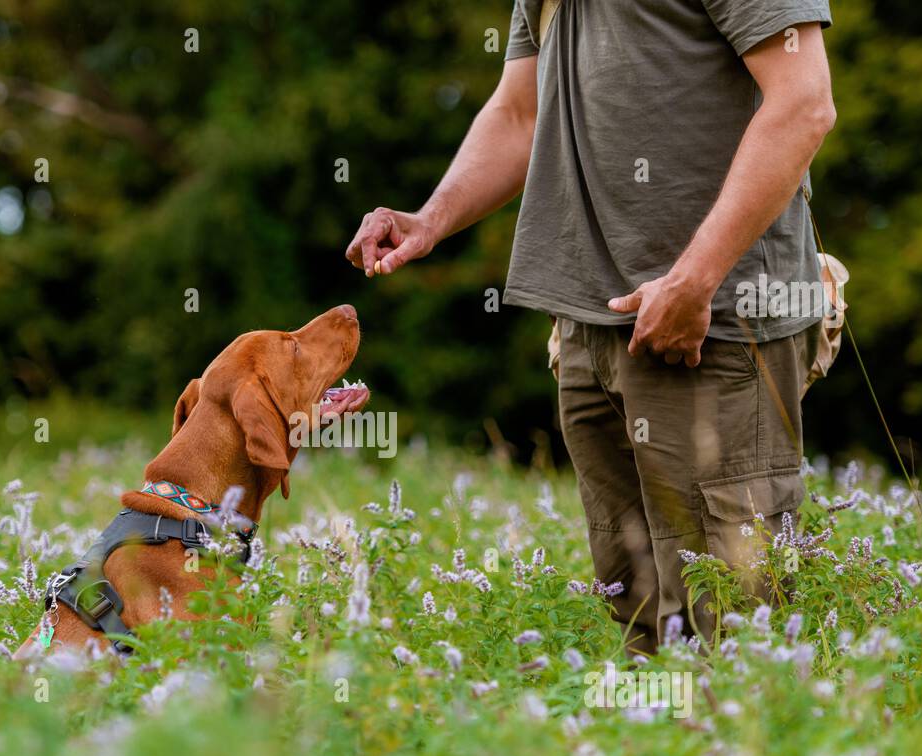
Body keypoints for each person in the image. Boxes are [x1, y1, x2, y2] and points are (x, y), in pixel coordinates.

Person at [345, 0, 836, 653]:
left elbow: (804, 105)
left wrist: (695, 279)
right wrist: (430, 219)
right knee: (637, 614)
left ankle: (745, 755)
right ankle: (653, 752)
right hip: (590, 325)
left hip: (714, 324)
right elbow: (521, 110)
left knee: (735, 620)